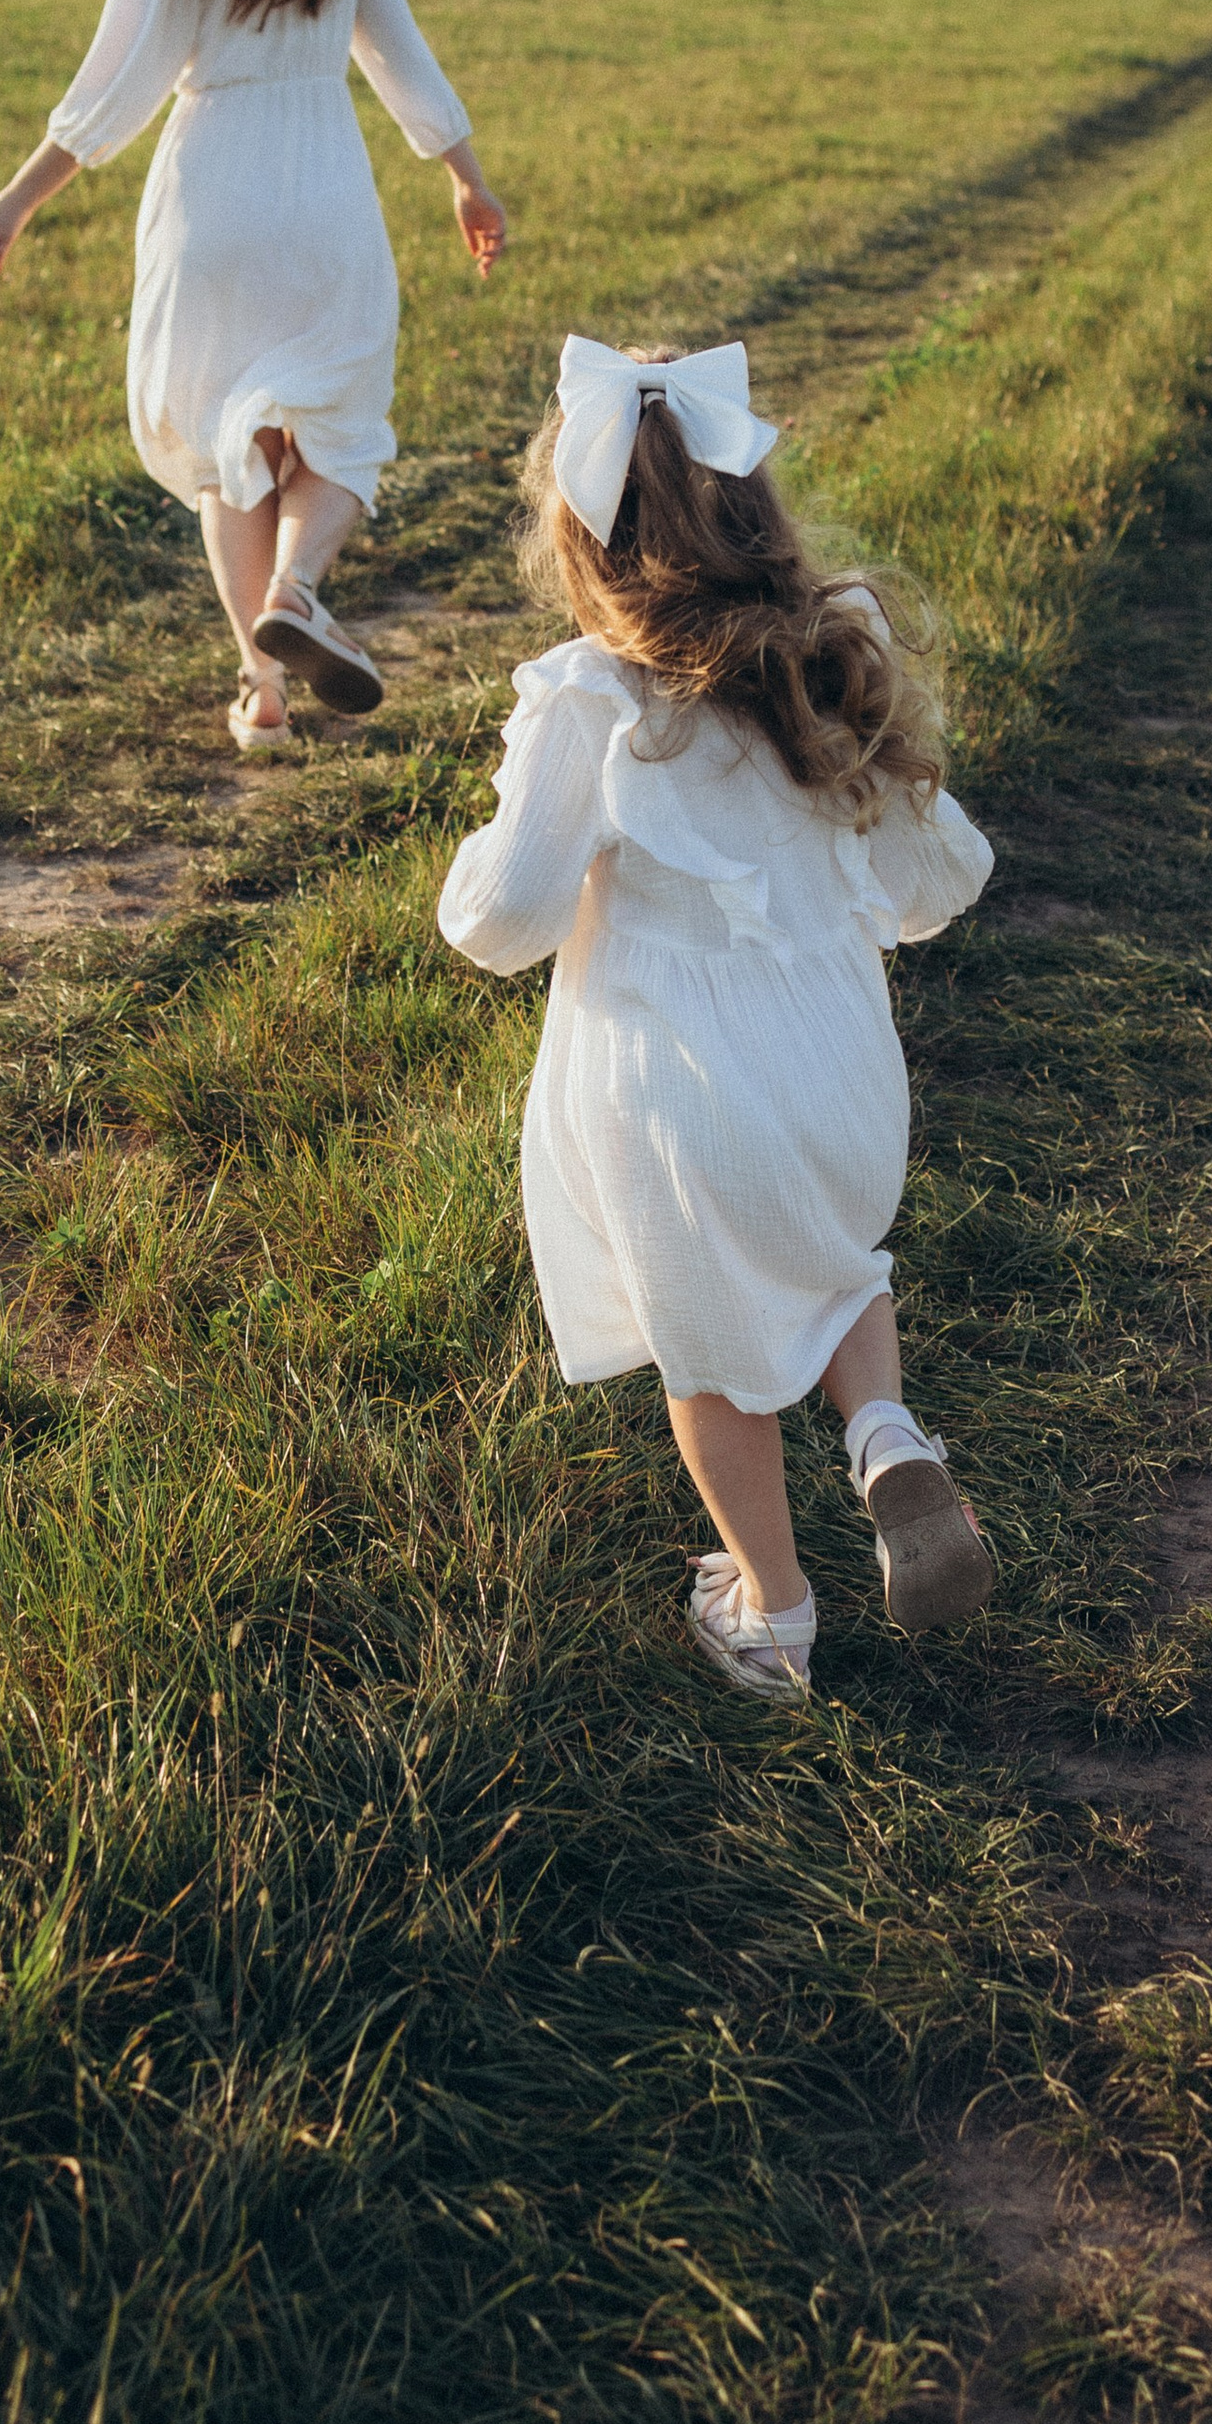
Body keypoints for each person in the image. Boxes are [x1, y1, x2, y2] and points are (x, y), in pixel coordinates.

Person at [436, 334, 996, 1698]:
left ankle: (774, 1606)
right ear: (757, 511)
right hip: (841, 1074)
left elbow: (503, 923)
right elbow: (942, 881)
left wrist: (485, 865)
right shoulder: (828, 659)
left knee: (714, 1357)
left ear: (585, 541)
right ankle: (883, 1436)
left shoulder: (593, 697)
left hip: (674, 1088)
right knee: (829, 1261)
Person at [0, 0, 506, 753]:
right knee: (339, 423)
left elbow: (109, 97)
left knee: (226, 450)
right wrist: (466, 182)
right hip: (324, 198)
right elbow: (408, 74)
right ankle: (296, 592)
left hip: (210, 198)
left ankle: (261, 687)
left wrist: (14, 202)